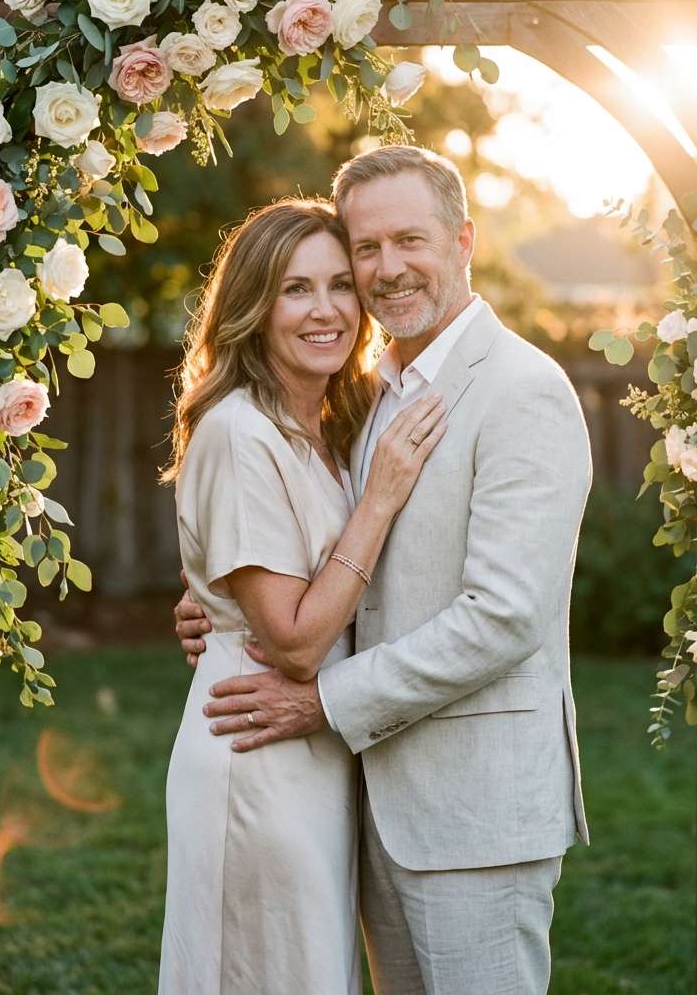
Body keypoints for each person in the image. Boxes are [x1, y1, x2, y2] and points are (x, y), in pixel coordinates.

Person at [175, 145, 593, 995]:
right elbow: (323, 556)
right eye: (367, 248)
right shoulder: (368, 391)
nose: (387, 269)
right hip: (366, 803)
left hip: (473, 812)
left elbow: (504, 616)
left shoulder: (522, 390)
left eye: (411, 240)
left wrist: (322, 699)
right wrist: (223, 608)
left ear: (464, 238)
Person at [157, 196, 446, 995]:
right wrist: (379, 501)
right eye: (294, 289)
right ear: (253, 306)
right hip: (256, 753)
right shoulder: (238, 429)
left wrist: (210, 609)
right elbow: (290, 641)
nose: (325, 311)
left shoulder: (328, 420)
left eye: (338, 285)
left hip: (315, 753)